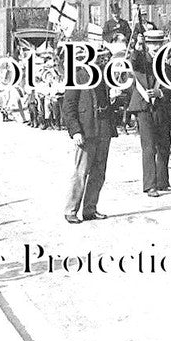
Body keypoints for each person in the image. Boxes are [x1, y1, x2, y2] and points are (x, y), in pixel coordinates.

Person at [63, 43, 120, 223]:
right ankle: (71, 210)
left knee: (99, 172)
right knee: (81, 172)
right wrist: (75, 131)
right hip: (86, 130)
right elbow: (69, 107)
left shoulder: (104, 77)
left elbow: (109, 104)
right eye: (98, 56)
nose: (101, 59)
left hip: (103, 128)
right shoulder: (77, 76)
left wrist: (114, 97)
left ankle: (90, 209)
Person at [126, 29, 171, 197]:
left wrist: (162, 93)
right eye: (152, 43)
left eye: (158, 43)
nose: (155, 47)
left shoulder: (166, 66)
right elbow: (133, 59)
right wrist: (137, 45)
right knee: (148, 147)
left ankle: (163, 182)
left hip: (161, 107)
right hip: (144, 108)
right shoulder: (140, 61)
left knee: (164, 145)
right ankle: (150, 185)